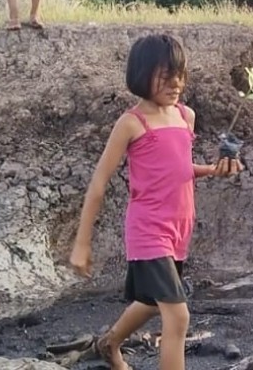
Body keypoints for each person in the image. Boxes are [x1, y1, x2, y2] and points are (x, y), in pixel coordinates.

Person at [69, 34, 242, 370]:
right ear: (141, 74)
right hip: (149, 230)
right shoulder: (132, 122)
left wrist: (213, 170)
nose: (175, 82)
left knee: (150, 302)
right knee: (177, 316)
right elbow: (98, 184)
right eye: (165, 75)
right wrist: (82, 243)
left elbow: (178, 168)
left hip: (179, 228)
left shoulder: (184, 116)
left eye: (179, 73)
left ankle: (109, 344)